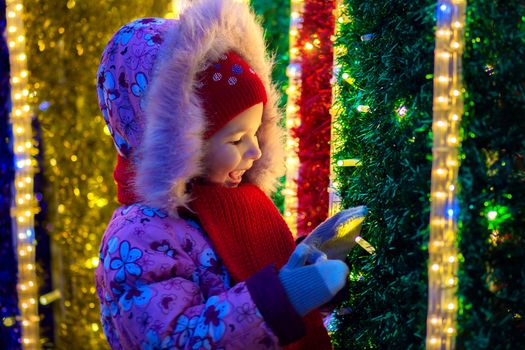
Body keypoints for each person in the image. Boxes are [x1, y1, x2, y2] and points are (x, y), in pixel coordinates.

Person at [95, 0, 366, 349]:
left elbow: (237, 278)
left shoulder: (233, 205)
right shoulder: (136, 236)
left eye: (257, 132)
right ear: (182, 144)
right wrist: (280, 300)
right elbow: (171, 340)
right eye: (237, 139)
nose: (254, 152)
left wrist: (305, 264)